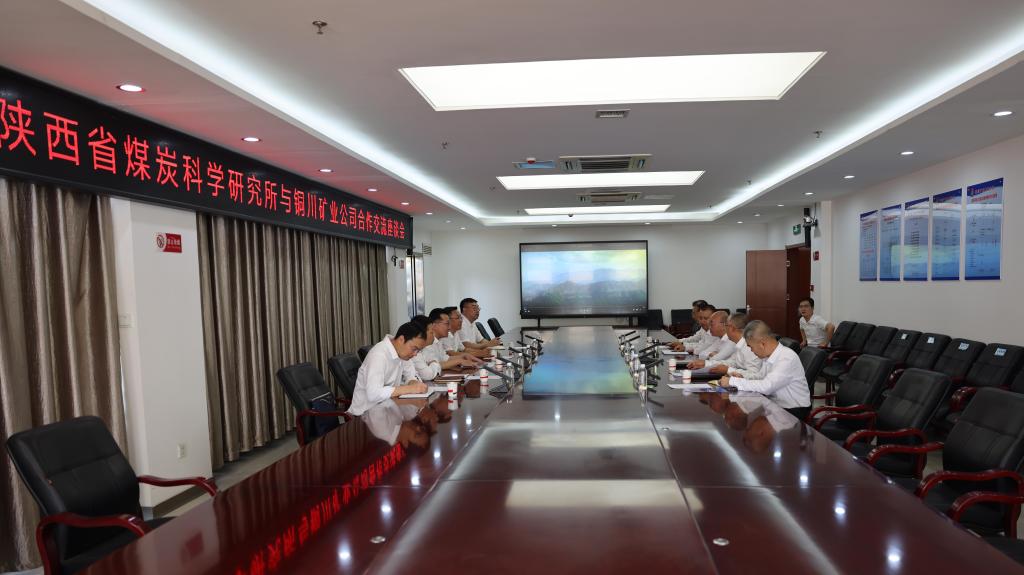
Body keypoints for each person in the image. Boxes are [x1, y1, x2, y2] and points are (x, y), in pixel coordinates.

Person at [720, 320, 811, 420]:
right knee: (742, 411)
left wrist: (733, 382)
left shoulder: (786, 358)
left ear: (762, 344)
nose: (751, 351)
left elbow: (766, 387)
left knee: (745, 417)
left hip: (794, 410)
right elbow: (760, 377)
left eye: (751, 347)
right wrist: (742, 377)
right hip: (776, 404)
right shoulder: (768, 356)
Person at [347, 321, 429, 416]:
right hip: (364, 415)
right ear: (401, 339)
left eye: (418, 351)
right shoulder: (378, 355)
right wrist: (409, 388)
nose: (415, 354)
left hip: (387, 409)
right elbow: (373, 394)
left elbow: (410, 375)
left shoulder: (402, 353)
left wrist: (413, 382)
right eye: (414, 349)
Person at [411, 309, 481, 380]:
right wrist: (459, 361)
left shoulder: (438, 341)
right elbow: (429, 372)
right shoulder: (425, 347)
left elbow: (444, 359)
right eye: (447, 324)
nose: (449, 328)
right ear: (434, 326)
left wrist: (463, 357)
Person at [687, 312, 762, 377]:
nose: (725, 329)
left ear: (732, 328)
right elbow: (732, 362)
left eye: (726, 326)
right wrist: (705, 364)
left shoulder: (749, 346)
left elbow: (755, 374)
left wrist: (728, 370)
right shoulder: (739, 344)